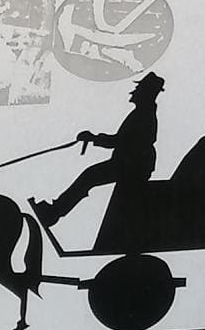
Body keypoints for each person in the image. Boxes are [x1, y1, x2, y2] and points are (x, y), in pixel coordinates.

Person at [34, 71, 164, 227]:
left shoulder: (143, 114)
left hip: (132, 166)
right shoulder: (143, 113)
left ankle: (54, 213)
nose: (134, 92)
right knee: (90, 176)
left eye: (138, 89)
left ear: (144, 92)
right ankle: (55, 211)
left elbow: (119, 141)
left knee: (89, 177)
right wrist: (95, 138)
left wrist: (93, 138)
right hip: (132, 164)